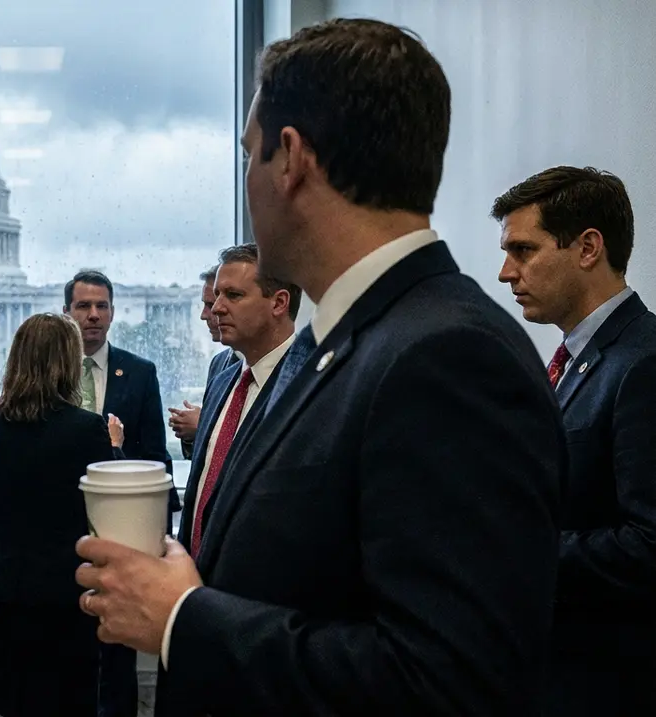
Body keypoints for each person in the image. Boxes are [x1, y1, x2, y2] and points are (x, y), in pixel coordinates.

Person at [76, 19, 564, 716]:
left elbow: (450, 683)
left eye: (250, 155)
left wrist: (184, 617)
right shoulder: (345, 339)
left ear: (293, 161)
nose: (247, 182)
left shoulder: (449, 356)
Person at [493, 165, 656, 716]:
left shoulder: (644, 363)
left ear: (588, 248)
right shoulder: (572, 362)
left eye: (523, 250)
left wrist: (520, 547)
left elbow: (648, 544)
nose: (505, 273)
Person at [0, 313, 120, 717]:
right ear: (68, 362)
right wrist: (115, 447)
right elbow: (106, 514)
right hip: (67, 600)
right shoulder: (89, 429)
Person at [63, 268, 179, 717]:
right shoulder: (45, 374)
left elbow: (156, 458)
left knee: (116, 662)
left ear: (112, 312)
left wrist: (118, 451)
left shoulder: (140, 372)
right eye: (83, 306)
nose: (93, 315)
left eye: (102, 306)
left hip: (121, 541)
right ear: (67, 312)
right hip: (60, 540)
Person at [178, 244, 298, 556]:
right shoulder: (222, 381)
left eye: (233, 295)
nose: (216, 308)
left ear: (278, 303)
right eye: (217, 295)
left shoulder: (310, 386)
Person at [170, 265, 238, 459]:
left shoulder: (288, 369)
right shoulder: (219, 363)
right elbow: (203, 461)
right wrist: (190, 435)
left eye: (211, 304)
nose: (205, 314)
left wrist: (203, 425)